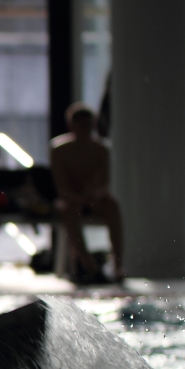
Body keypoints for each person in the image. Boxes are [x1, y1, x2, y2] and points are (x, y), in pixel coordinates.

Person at [50, 103, 124, 282]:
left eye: (88, 125)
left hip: (93, 198)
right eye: (81, 125)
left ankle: (118, 265)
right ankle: (88, 264)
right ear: (72, 125)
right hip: (70, 200)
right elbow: (61, 187)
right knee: (69, 210)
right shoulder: (59, 149)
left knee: (112, 206)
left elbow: (104, 183)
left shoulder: (101, 149)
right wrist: (79, 198)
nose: (85, 129)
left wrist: (94, 195)